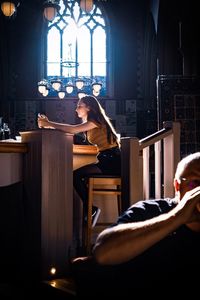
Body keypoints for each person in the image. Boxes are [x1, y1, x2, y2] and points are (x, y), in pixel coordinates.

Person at [89, 151, 200, 289]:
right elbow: (102, 253)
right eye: (196, 182)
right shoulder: (149, 211)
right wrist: (177, 217)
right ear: (177, 186)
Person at [37, 95, 121, 227]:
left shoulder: (96, 121)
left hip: (111, 160)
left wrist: (49, 124)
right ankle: (91, 209)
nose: (76, 109)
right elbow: (75, 131)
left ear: (89, 107)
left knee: (76, 175)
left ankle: (92, 209)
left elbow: (73, 129)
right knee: (77, 176)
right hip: (107, 159)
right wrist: (50, 125)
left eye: (79, 106)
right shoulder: (93, 123)